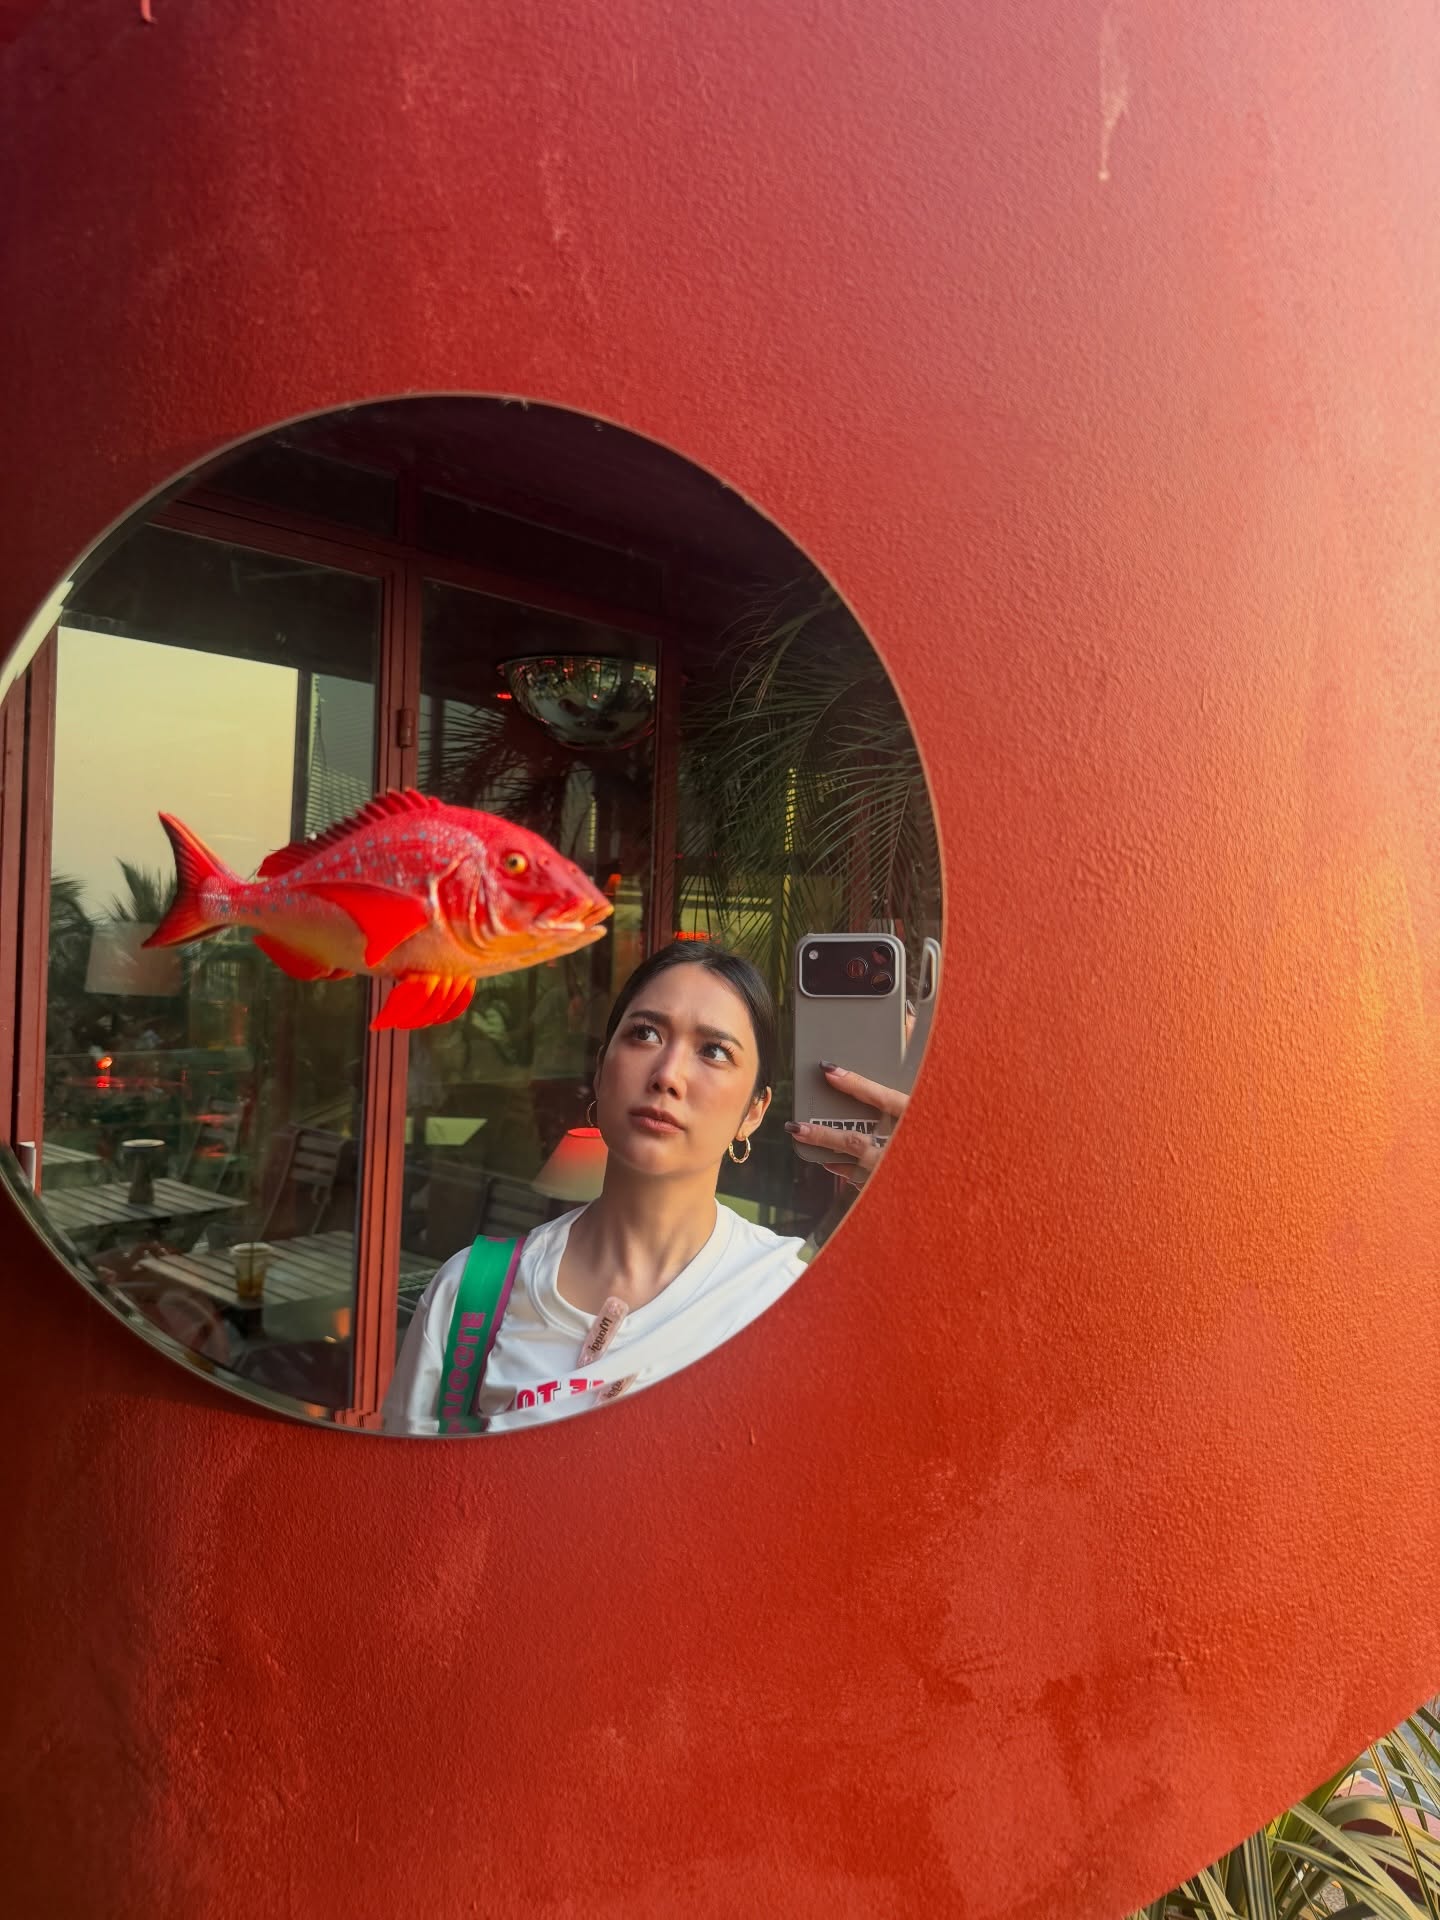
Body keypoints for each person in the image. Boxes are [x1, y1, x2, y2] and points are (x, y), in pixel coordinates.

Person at [383, 940, 907, 1435]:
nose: (667, 1075)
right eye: (645, 1034)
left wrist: (923, 1190)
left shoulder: (789, 1295)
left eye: (715, 1051)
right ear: (601, 1070)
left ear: (754, 1111)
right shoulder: (469, 1297)